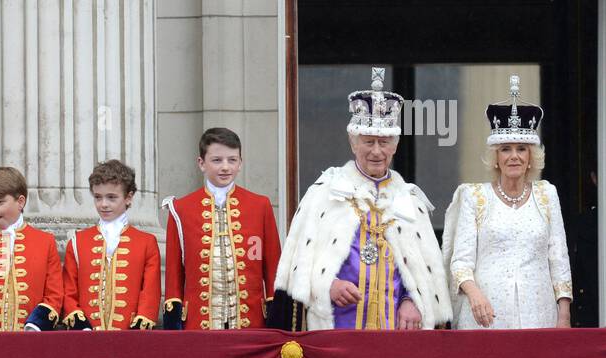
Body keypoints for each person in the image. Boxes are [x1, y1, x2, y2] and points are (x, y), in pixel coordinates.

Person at [269, 67, 451, 331]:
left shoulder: (411, 201)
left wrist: (413, 300)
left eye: (384, 142)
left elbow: (425, 274)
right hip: (336, 328)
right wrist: (327, 284)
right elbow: (297, 269)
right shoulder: (323, 193)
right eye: (368, 142)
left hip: (395, 334)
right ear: (353, 143)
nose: (376, 151)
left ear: (395, 145)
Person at [442, 75, 572, 329]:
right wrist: (475, 295)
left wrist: (564, 316)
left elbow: (559, 259)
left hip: (539, 315)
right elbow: (460, 263)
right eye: (505, 149)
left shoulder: (547, 195)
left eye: (521, 149)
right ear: (496, 157)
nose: (514, 156)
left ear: (531, 156)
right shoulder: (475, 197)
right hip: (485, 316)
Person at [162, 128, 281, 330]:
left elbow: (272, 264)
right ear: (201, 163)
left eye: (232, 160)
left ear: (241, 163)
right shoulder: (181, 208)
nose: (225, 167)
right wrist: (173, 323)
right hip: (198, 324)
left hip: (251, 321)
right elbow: (174, 274)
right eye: (217, 160)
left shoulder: (260, 205)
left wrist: (277, 313)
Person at [0, 166, 63, 331]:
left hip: (33, 340)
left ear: (20, 202)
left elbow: (54, 294)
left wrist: (35, 326)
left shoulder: (46, 241)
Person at [61, 160, 161, 330]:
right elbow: (68, 291)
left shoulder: (146, 242)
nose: (103, 204)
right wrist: (80, 325)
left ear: (128, 198)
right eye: (98, 197)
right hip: (86, 336)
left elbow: (150, 292)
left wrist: (139, 328)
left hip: (129, 338)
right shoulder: (78, 242)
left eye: (112, 197)